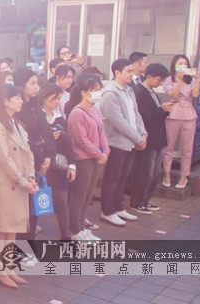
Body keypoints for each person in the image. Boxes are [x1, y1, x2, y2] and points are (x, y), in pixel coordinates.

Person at [0, 84, 37, 288]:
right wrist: (24, 181)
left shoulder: (17, 124)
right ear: (5, 100)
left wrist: (30, 177)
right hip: (4, 182)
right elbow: (4, 159)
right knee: (1, 227)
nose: (21, 101)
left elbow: (28, 153)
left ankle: (9, 267)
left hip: (19, 181)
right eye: (17, 98)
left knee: (13, 226)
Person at [99, 58, 147, 227]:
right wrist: (137, 138)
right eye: (128, 71)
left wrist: (143, 133)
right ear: (117, 72)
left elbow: (136, 113)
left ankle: (118, 207)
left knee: (123, 177)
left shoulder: (129, 90)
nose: (131, 74)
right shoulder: (110, 93)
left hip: (131, 142)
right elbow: (118, 121)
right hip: (117, 143)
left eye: (132, 71)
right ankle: (107, 211)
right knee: (112, 178)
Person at [13, 67, 55, 250]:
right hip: (22, 164)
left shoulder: (36, 106)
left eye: (37, 83)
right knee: (22, 209)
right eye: (32, 83)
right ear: (21, 85)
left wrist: (49, 156)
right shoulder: (17, 107)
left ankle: (28, 245)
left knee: (34, 208)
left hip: (38, 161)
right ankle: (20, 248)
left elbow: (46, 132)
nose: (36, 87)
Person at [66, 74, 109, 241]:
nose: (98, 93)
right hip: (83, 159)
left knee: (87, 196)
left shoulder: (94, 109)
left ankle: (82, 227)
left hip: (96, 159)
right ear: (84, 92)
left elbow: (101, 132)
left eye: (98, 89)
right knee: (79, 196)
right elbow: (81, 140)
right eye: (94, 90)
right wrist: (99, 153)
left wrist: (106, 151)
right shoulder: (77, 113)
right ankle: (75, 230)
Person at [130, 63, 171, 214]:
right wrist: (161, 110)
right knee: (145, 172)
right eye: (158, 79)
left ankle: (145, 200)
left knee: (155, 173)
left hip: (157, 137)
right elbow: (143, 117)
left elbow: (155, 114)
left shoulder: (152, 92)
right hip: (148, 138)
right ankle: (137, 201)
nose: (160, 83)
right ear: (149, 77)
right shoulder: (139, 92)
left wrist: (164, 110)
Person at [38, 84, 76, 240]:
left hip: (59, 166)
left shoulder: (59, 117)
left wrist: (72, 165)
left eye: (59, 98)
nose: (57, 102)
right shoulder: (36, 116)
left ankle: (65, 237)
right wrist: (47, 139)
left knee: (62, 202)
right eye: (55, 98)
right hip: (41, 165)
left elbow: (68, 143)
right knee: (37, 202)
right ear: (45, 97)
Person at [162, 54, 200, 189]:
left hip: (188, 113)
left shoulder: (191, 79)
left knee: (187, 148)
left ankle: (184, 176)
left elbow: (195, 94)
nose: (183, 66)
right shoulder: (168, 80)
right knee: (169, 146)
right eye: (180, 63)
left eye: (185, 63)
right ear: (174, 65)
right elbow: (174, 95)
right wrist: (178, 80)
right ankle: (166, 174)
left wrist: (197, 79)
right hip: (174, 111)